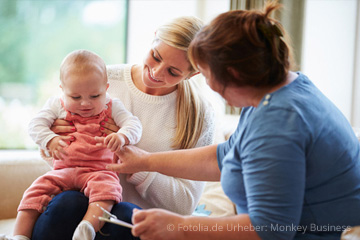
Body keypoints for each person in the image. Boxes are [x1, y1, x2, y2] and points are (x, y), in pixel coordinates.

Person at [106, 2, 360, 240]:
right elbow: (228, 155)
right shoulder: (280, 89)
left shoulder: (279, 125)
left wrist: (178, 227)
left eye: (205, 73)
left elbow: (270, 229)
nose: (206, 83)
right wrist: (146, 161)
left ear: (233, 74)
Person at [30, 16, 215, 240]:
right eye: (155, 57)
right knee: (67, 202)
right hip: (77, 204)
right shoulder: (100, 80)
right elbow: (57, 157)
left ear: (192, 74)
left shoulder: (199, 114)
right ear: (154, 36)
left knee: (127, 215)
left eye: (173, 72)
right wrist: (54, 141)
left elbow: (185, 205)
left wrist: (139, 166)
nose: (156, 73)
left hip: (132, 224)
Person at [6, 49, 143, 240]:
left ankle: (87, 227)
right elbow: (35, 125)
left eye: (95, 96)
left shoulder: (113, 106)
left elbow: (134, 124)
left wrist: (122, 136)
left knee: (108, 191)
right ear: (62, 90)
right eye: (76, 97)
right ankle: (19, 235)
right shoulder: (57, 105)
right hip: (63, 170)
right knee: (35, 191)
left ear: (106, 88)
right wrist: (50, 139)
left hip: (99, 171)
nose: (85, 103)